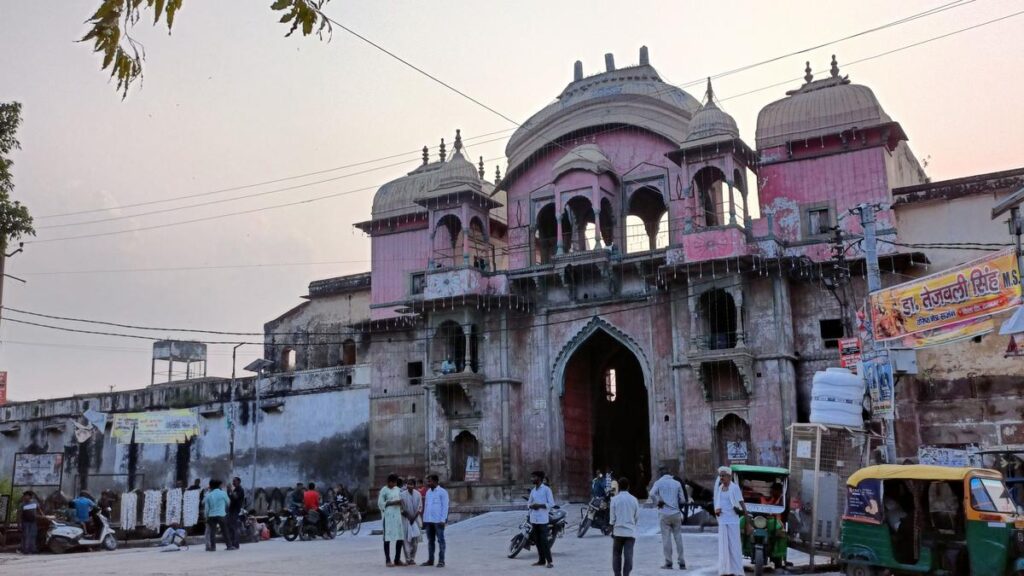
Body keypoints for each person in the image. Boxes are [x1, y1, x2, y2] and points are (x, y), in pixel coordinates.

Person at [649, 466, 687, 570]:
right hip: (676, 513)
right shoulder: (677, 483)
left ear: (660, 474)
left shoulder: (658, 483)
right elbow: (683, 500)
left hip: (664, 514)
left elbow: (651, 493)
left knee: (666, 538)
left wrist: (658, 502)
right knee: (678, 537)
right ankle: (682, 561)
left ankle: (669, 562)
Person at [714, 466, 747, 575]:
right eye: (720, 476)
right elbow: (718, 501)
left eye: (723, 476)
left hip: (733, 520)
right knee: (723, 546)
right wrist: (717, 510)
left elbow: (741, 502)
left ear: (729, 476)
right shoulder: (720, 488)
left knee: (734, 546)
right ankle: (724, 570)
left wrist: (746, 515)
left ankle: (737, 571)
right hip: (723, 520)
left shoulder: (734, 487)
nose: (721, 478)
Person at [610, 477, 639, 576]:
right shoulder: (634, 500)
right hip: (630, 533)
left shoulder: (614, 500)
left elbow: (612, 518)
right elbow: (636, 517)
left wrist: (613, 526)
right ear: (628, 487)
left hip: (618, 532)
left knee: (616, 555)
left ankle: (617, 574)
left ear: (618, 487)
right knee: (628, 556)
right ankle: (626, 574)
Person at [527, 470, 555, 569]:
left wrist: (540, 505)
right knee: (537, 541)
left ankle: (550, 561)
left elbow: (551, 504)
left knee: (544, 541)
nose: (532, 479)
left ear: (539, 478)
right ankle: (541, 560)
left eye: (534, 477)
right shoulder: (533, 491)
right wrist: (531, 506)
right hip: (534, 519)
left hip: (543, 520)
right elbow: (528, 503)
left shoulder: (546, 489)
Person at [377, 474, 405, 567]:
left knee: (400, 537)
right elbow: (380, 504)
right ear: (389, 482)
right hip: (388, 517)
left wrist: (401, 503)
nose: (395, 484)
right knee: (387, 538)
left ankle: (397, 559)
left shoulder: (398, 489)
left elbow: (402, 499)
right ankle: (388, 560)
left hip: (397, 516)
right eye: (394, 482)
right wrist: (393, 502)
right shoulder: (384, 490)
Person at [421, 473, 449, 567]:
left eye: (430, 481)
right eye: (428, 481)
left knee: (441, 541)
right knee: (430, 541)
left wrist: (443, 520)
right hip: (429, 521)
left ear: (436, 481)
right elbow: (426, 506)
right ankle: (430, 560)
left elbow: (445, 506)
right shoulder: (428, 492)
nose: (428, 483)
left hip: (438, 521)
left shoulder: (442, 492)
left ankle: (441, 561)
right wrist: (424, 520)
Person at [203, 479, 230, 552]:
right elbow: (228, 502)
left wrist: (206, 516)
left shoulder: (208, 495)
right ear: (218, 486)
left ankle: (213, 547)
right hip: (221, 514)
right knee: (225, 531)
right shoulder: (223, 493)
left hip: (212, 515)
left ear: (211, 486)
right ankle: (229, 546)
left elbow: (207, 508)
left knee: (212, 532)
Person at [401, 477, 423, 566]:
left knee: (415, 541)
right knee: (406, 540)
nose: (409, 486)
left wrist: (414, 517)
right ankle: (408, 559)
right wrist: (408, 516)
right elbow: (401, 508)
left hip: (415, 519)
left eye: (411, 484)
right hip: (405, 519)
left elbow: (420, 507)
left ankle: (413, 558)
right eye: (408, 484)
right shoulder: (402, 495)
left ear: (414, 485)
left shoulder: (418, 494)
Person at [226, 477, 245, 550]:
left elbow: (236, 497)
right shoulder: (236, 489)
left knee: (234, 527)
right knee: (230, 526)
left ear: (239, 482)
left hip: (235, 510)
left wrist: (230, 490)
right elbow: (232, 498)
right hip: (232, 510)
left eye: (234, 481)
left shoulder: (240, 489)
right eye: (233, 481)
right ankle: (232, 544)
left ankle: (236, 544)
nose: (233, 483)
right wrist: (228, 491)